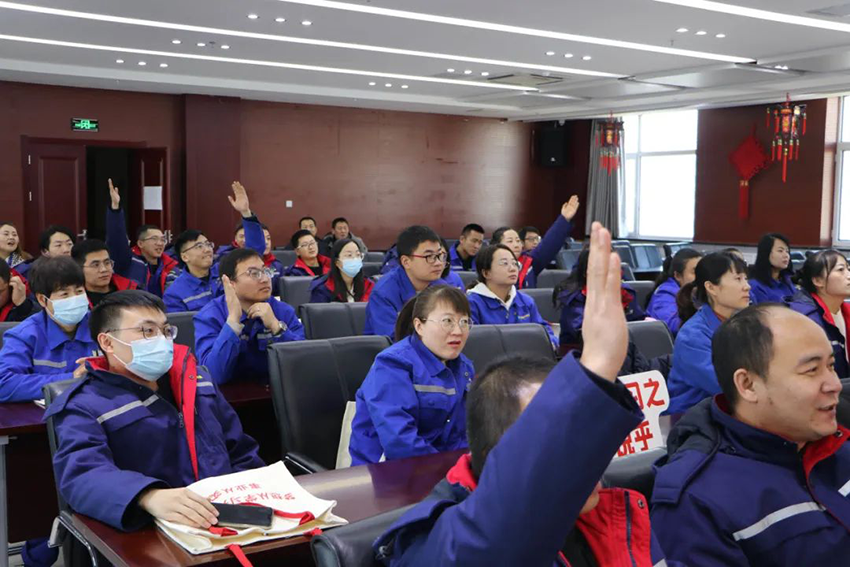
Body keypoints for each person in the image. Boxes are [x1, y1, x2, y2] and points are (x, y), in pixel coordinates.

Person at [375, 222, 675, 566]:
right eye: (560, 437)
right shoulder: (441, 543)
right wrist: (594, 372)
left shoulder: (620, 513)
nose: (588, 459)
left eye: (463, 322)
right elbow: (491, 535)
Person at [46, 290, 264, 533]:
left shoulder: (197, 379)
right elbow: (82, 476)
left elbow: (240, 450)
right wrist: (147, 496)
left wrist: (253, 495)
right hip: (150, 528)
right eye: (147, 331)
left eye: (165, 330)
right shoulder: (85, 403)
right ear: (107, 342)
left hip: (227, 516)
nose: (161, 339)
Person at [652, 304, 850, 565]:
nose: (835, 385)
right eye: (811, 370)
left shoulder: (835, 443)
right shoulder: (696, 501)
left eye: (832, 366)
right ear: (747, 385)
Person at [350, 285, 474, 465]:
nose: (458, 331)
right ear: (419, 326)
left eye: (464, 322)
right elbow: (399, 441)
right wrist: (447, 470)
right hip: (388, 472)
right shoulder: (393, 365)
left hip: (443, 470)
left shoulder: (463, 367)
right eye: (447, 321)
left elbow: (464, 433)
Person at [194, 248, 304, 384]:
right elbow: (213, 375)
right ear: (230, 283)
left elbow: (302, 364)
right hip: (230, 401)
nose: (265, 279)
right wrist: (233, 322)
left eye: (265, 271)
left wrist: (276, 327)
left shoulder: (282, 310)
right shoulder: (209, 316)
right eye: (254, 273)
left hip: (277, 395)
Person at [0, 257, 99, 403]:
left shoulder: (103, 325)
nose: (75, 299)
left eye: (79, 291)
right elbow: (4, 384)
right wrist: (71, 379)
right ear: (42, 300)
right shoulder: (25, 335)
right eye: (64, 294)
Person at [666, 252, 751, 414]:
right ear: (711, 287)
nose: (747, 286)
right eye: (738, 279)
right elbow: (726, 386)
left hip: (730, 412)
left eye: (745, 279)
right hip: (692, 420)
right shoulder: (691, 337)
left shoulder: (746, 323)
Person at [364, 225, 450, 338]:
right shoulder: (383, 293)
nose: (439, 263)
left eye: (440, 255)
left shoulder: (442, 288)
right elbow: (393, 340)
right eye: (429, 256)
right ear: (406, 261)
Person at [467, 244, 558, 349]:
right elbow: (473, 343)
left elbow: (544, 331)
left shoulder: (526, 301)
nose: (513, 269)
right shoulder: (471, 303)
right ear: (486, 273)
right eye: (504, 263)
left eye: (515, 263)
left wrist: (551, 343)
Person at [554, 247, 645, 348]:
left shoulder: (625, 292)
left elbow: (638, 320)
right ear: (587, 273)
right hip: (582, 353)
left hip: (624, 348)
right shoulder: (574, 298)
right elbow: (583, 334)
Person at [106, 179, 177, 296]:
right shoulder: (129, 261)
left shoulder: (171, 264)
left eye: (162, 239)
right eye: (154, 239)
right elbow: (116, 240)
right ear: (140, 243)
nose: (160, 243)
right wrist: (115, 210)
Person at [490, 195, 580, 289]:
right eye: (510, 241)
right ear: (497, 245)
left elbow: (548, 245)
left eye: (517, 241)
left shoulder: (528, 262)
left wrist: (564, 219)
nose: (516, 245)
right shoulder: (489, 267)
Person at [786, 249, 850, 378]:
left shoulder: (845, 310)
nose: (848, 275)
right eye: (841, 270)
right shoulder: (805, 318)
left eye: (848, 269)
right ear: (818, 281)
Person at [646, 248, 703, 336]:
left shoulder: (698, 292)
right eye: (695, 272)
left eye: (702, 271)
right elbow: (674, 325)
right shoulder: (664, 294)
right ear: (678, 276)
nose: (701, 276)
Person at [162, 230, 220, 312]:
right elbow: (182, 323)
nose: (207, 250)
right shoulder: (174, 294)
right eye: (199, 246)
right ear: (185, 257)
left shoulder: (223, 273)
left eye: (208, 244)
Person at [71, 239, 138, 308]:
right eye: (96, 265)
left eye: (107, 263)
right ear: (79, 268)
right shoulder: (74, 302)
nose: (104, 269)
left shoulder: (132, 291)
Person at [309, 238, 374, 303]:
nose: (355, 259)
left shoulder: (369, 285)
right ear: (337, 262)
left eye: (358, 255)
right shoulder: (323, 290)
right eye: (349, 255)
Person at [749, 232, 796, 304]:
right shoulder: (756, 286)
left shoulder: (787, 281)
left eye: (787, 251)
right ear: (766, 253)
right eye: (780, 251)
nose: (786, 255)